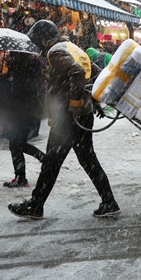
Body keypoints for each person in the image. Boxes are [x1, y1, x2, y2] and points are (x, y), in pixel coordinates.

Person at [8, 20, 120, 219]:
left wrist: (75, 103)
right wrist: (92, 102)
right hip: (82, 118)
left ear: (43, 38)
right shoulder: (73, 47)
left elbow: (77, 73)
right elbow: (95, 73)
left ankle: (35, 205)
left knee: (52, 163)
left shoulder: (55, 52)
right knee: (87, 160)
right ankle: (109, 201)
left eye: (37, 41)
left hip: (68, 119)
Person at [0, 52, 46, 188]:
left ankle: (23, 176)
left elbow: (17, 94)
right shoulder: (26, 71)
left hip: (22, 114)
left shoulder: (21, 75)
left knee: (16, 144)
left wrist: (4, 82)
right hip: (25, 114)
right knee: (17, 144)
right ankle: (41, 162)